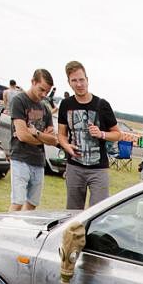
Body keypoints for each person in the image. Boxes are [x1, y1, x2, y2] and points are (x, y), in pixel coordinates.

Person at [57, 60, 120, 209]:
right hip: (74, 166)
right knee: (73, 211)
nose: (79, 84)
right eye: (74, 81)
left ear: (87, 79)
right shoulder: (66, 105)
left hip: (98, 168)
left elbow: (117, 134)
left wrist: (101, 134)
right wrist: (66, 146)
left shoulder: (102, 105)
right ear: (69, 83)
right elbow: (61, 134)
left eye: (81, 80)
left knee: (99, 211)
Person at [9, 69, 59, 212]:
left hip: (38, 161)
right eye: (41, 89)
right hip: (20, 158)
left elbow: (53, 140)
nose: (44, 94)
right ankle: (9, 226)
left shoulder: (45, 109)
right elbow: (22, 135)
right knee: (17, 202)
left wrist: (37, 133)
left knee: (32, 204)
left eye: (47, 92)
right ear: (33, 82)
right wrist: (43, 138)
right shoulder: (19, 101)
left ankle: (23, 226)